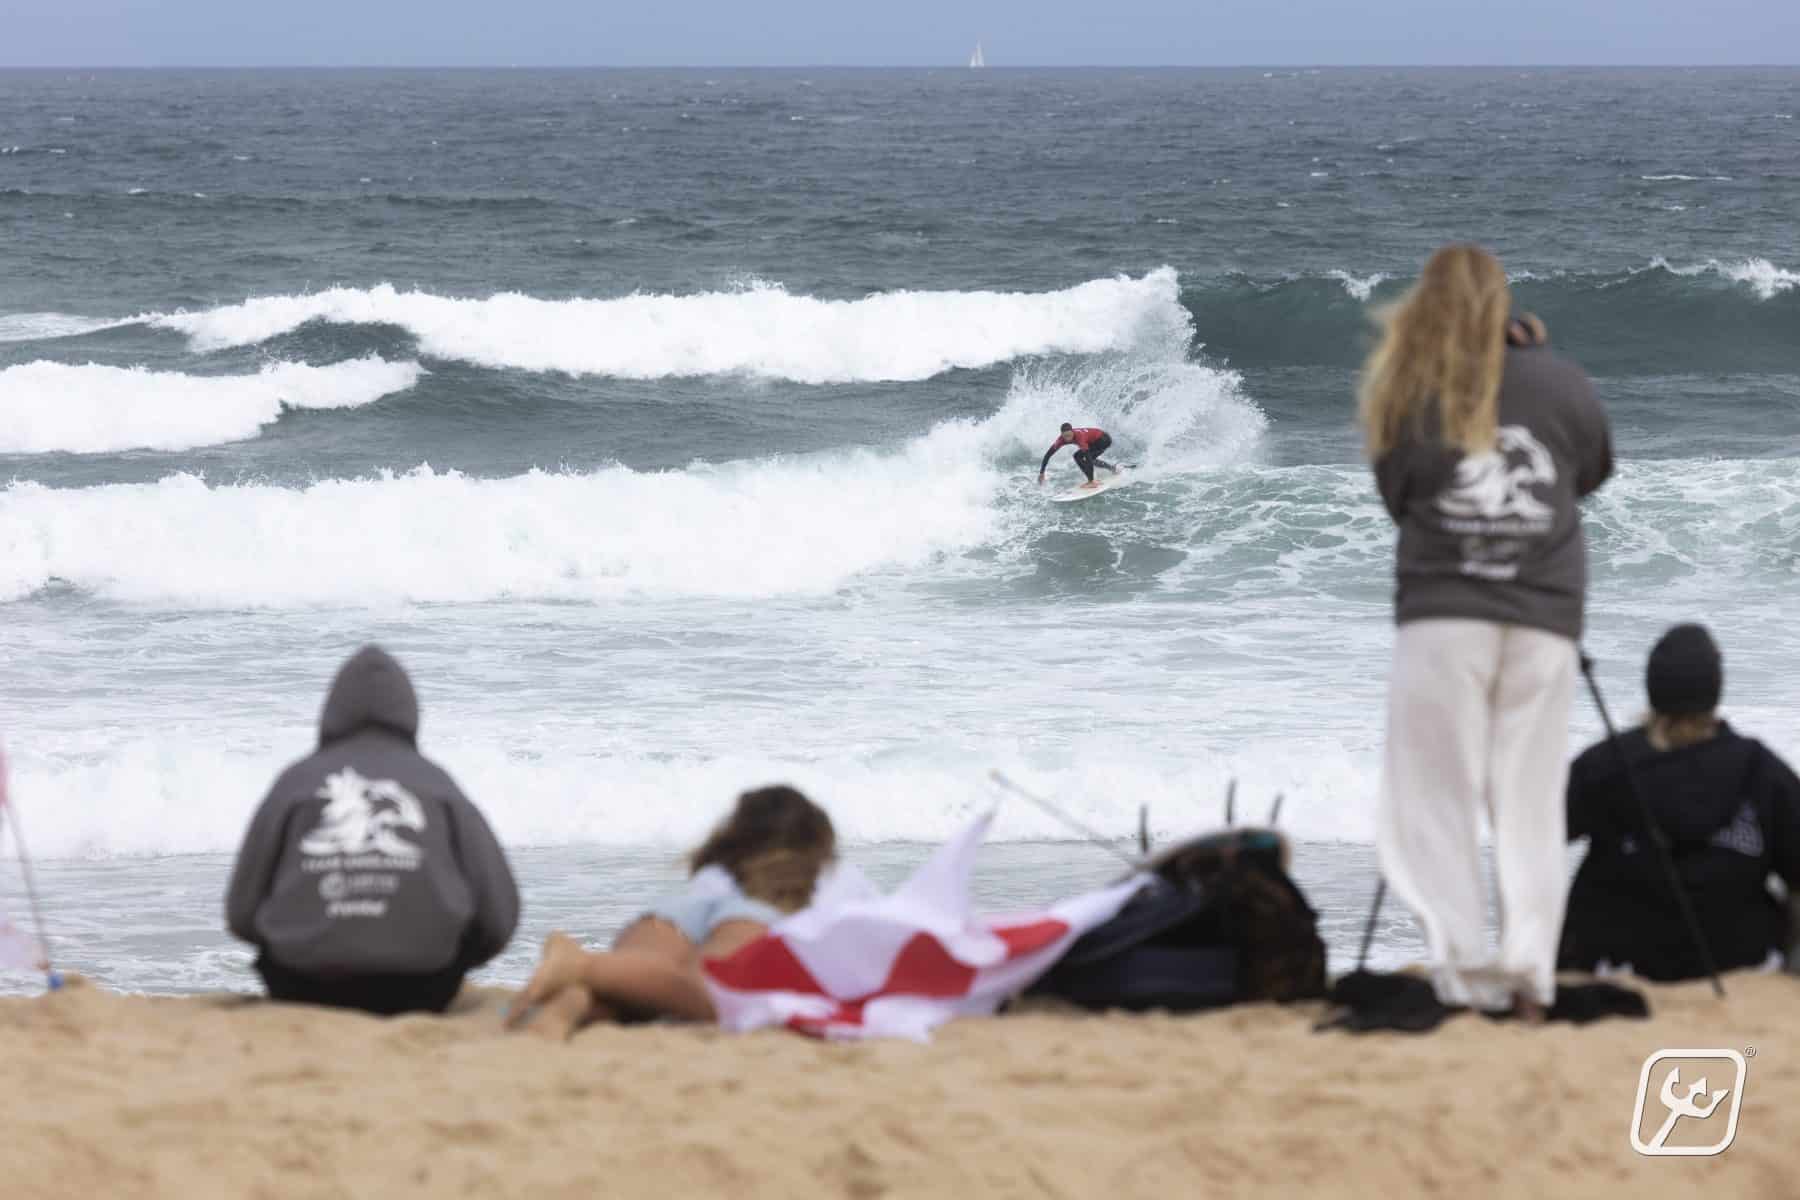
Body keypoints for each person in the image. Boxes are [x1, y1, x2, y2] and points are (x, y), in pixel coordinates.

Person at [1362, 243, 1613, 1017]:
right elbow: (1594, 469)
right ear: (1505, 308)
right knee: (1530, 798)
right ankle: (1530, 974)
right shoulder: (1561, 381)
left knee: (1436, 798)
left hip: (1444, 619)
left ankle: (1466, 975)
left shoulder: (1409, 387)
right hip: (1543, 616)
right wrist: (1536, 370)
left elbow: (1397, 493)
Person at [224, 646, 520, 1015]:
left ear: (331, 713)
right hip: (421, 989)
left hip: (303, 986)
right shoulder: (438, 785)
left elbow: (240, 913)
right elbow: (499, 917)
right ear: (410, 712)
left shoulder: (295, 782)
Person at [1559, 624, 1800, 980]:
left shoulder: (1605, 765)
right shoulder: (1761, 770)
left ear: (1651, 687)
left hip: (1621, 964)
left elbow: (1533, 840)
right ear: (1716, 687)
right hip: (1743, 960)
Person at [507, 785, 835, 1039]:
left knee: (629, 993)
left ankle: (566, 1008)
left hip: (672, 914)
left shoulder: (712, 876)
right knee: (713, 994)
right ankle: (583, 964)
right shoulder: (779, 888)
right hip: (751, 913)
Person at [1039, 422, 1119, 487]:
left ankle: (1091, 481)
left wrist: (1091, 480)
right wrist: (1042, 473)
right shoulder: (1060, 440)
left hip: (1103, 440)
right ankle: (1112, 468)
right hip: (1094, 441)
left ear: (1072, 432)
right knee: (1082, 457)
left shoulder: (1079, 437)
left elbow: (1087, 457)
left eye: (1069, 435)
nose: (1068, 438)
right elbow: (1048, 455)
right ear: (1062, 434)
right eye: (1065, 436)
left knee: (1085, 457)